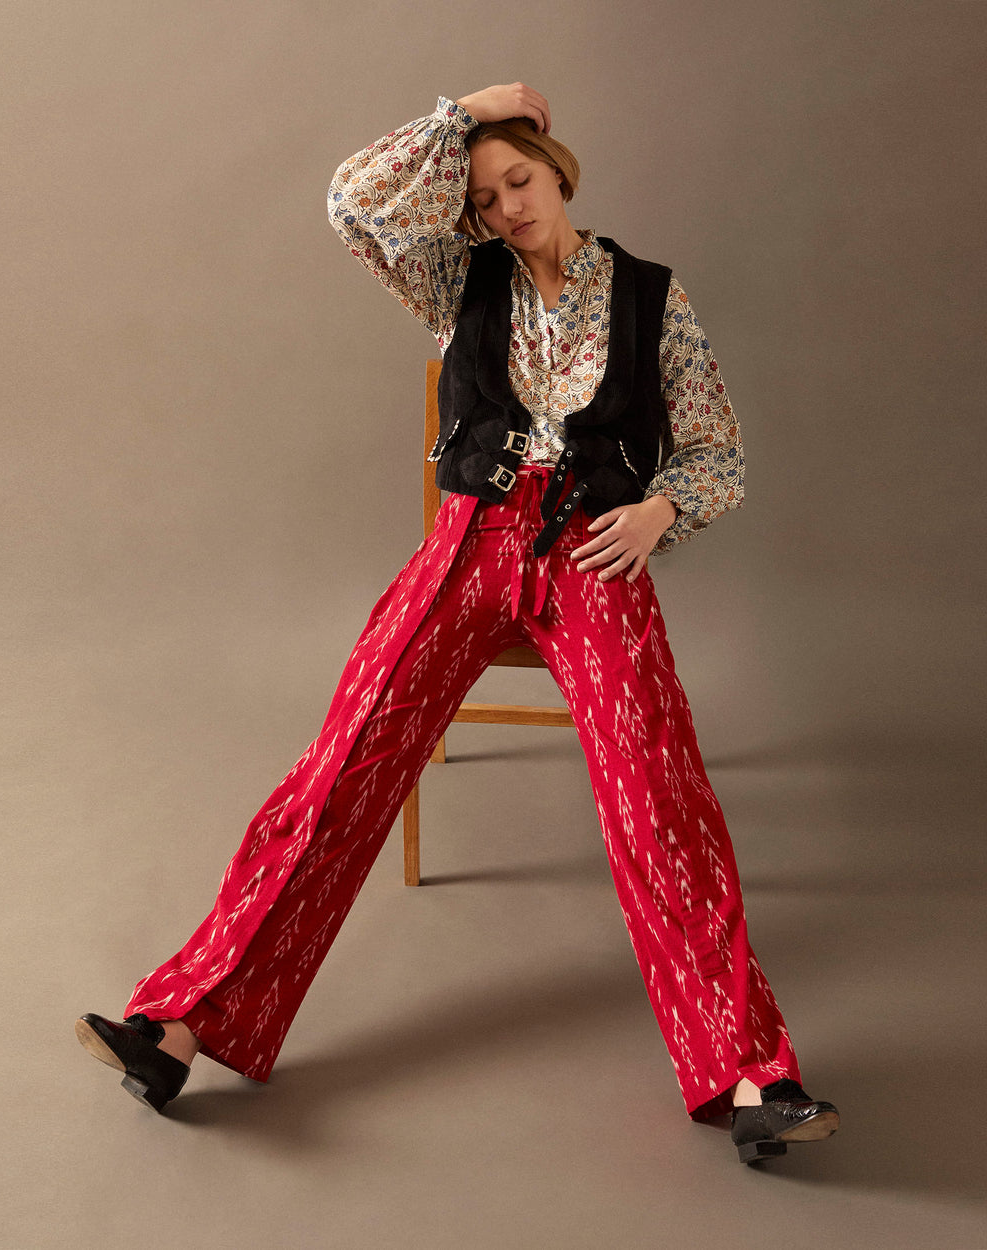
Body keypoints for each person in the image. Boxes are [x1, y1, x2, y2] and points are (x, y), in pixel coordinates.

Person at [76, 83, 839, 1166]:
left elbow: (715, 447)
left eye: (517, 180)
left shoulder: (653, 299)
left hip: (591, 552)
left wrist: (661, 507)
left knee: (658, 791)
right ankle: (181, 1022)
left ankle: (751, 1072)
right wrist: (460, 112)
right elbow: (352, 203)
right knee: (342, 765)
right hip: (469, 543)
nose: (506, 208)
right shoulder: (453, 279)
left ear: (557, 169)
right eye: (481, 198)